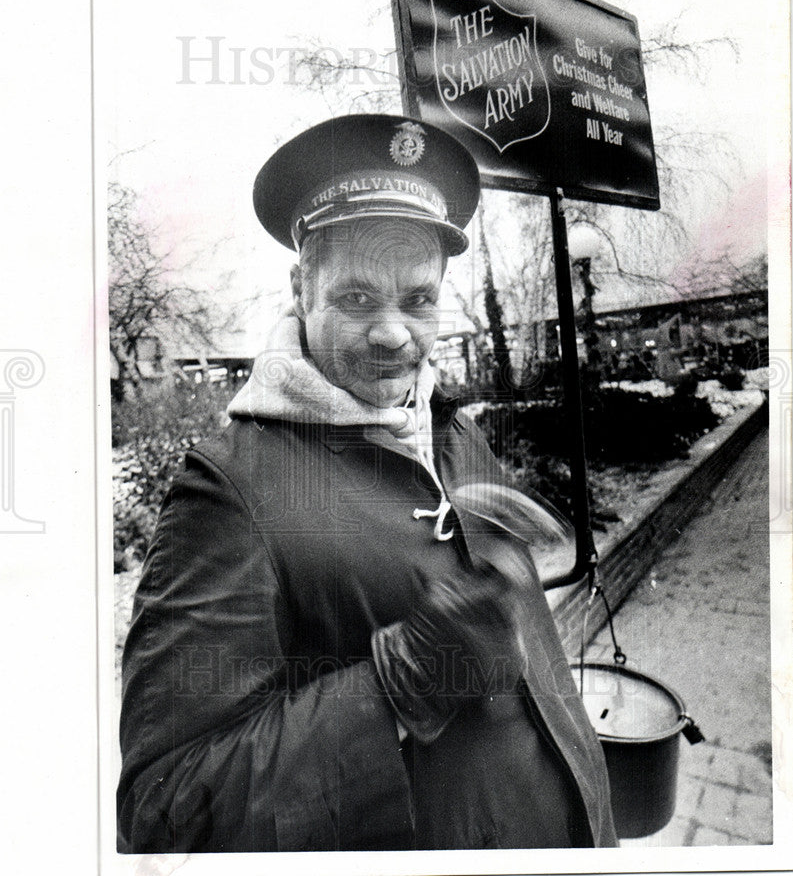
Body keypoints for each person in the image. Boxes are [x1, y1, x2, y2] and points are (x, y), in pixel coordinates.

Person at [117, 114, 617, 852]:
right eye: (356, 299)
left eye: (417, 299)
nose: (393, 333)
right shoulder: (229, 488)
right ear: (301, 288)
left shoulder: (448, 427)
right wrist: (403, 680)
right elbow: (167, 808)